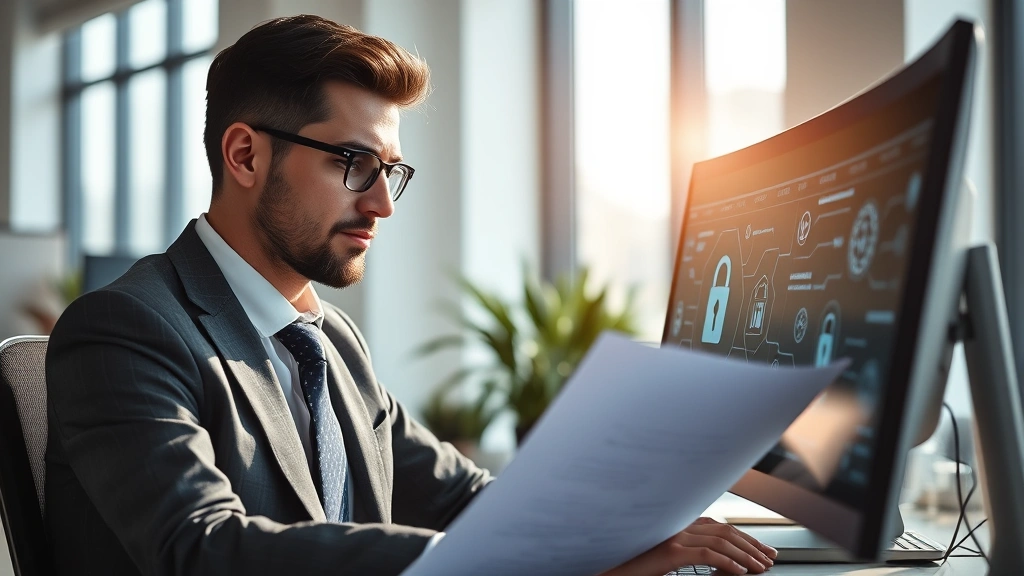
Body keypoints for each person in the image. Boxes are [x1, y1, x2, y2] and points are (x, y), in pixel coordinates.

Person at [44, 15, 777, 576]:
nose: (382, 206)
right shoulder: (126, 330)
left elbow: (464, 500)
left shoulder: (328, 341)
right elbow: (202, 550)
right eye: (354, 164)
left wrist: (627, 531)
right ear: (245, 155)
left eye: (389, 171)